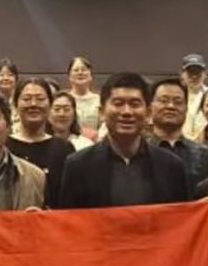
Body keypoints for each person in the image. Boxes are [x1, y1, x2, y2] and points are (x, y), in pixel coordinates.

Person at [55, 72, 193, 208]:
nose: (127, 112)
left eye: (135, 104)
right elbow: (69, 220)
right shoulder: (78, 166)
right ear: (101, 112)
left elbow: (181, 219)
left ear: (148, 113)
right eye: (118, 103)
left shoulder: (172, 167)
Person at [8, 78, 73, 196]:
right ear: (15, 105)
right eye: (26, 99)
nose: (33, 104)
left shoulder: (64, 148)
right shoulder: (3, 147)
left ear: (50, 104)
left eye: (40, 99)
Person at [147, 78, 208, 184]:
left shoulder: (203, 155)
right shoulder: (138, 153)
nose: (171, 106)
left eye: (177, 102)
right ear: (150, 107)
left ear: (186, 108)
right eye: (163, 101)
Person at [179, 54, 208, 139]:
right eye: (190, 72)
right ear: (182, 73)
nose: (194, 77)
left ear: (205, 73)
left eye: (198, 73)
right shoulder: (176, 95)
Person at [66, 55, 101, 137]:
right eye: (76, 70)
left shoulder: (100, 100)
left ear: (91, 76)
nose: (80, 73)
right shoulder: (64, 100)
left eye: (84, 70)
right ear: (69, 76)